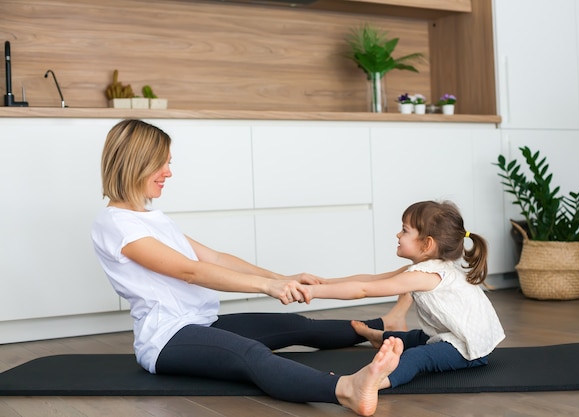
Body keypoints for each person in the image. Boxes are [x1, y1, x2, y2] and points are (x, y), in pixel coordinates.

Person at [91, 118, 406, 416]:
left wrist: (281, 278)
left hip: (201, 322)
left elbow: (213, 258)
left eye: (169, 163)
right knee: (250, 356)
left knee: (295, 325)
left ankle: (381, 327)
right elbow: (190, 271)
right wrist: (266, 287)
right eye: (162, 163)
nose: (168, 173)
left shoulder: (151, 219)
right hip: (166, 338)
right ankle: (347, 389)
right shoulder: (115, 225)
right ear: (135, 164)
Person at [300, 200, 506, 390]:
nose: (398, 235)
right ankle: (379, 337)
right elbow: (372, 279)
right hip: (457, 335)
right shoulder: (427, 268)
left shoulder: (425, 276)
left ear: (427, 244)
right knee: (418, 337)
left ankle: (370, 385)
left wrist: (314, 292)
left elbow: (363, 290)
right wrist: (325, 282)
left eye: (404, 230)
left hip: (468, 349)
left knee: (417, 356)